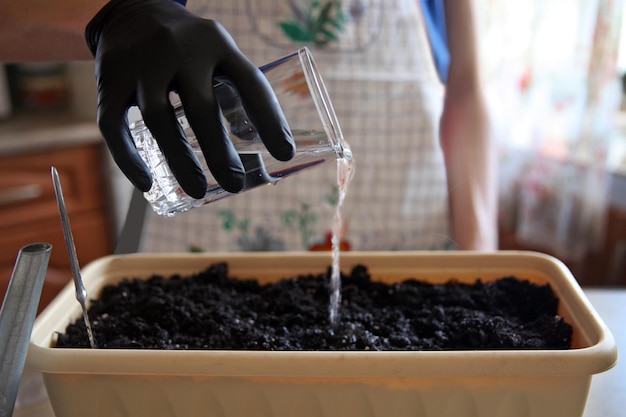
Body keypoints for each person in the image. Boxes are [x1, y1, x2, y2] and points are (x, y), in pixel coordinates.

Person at [0, 0, 497, 252]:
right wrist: (117, 14)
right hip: (206, 235)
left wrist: (481, 261)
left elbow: (468, 89)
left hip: (410, 232)